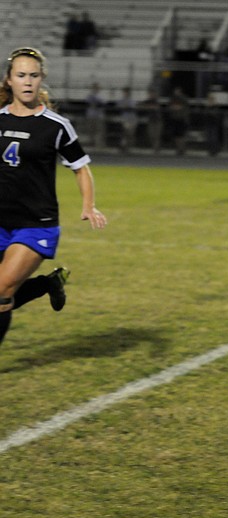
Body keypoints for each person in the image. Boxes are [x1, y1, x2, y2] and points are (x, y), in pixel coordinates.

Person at [0, 47, 107, 347]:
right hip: (0, 221)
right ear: (9, 80)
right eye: (21, 75)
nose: (28, 81)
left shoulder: (55, 126)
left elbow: (81, 168)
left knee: (2, 291)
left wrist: (88, 205)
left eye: (33, 75)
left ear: (41, 79)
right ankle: (48, 283)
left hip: (35, 224)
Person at [116, 86, 137, 153]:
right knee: (124, 134)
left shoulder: (132, 100)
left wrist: (125, 106)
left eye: (126, 92)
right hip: (125, 119)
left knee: (130, 134)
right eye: (124, 92)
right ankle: (123, 147)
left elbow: (130, 107)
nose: (125, 93)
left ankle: (128, 148)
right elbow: (119, 106)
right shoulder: (121, 100)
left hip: (132, 119)